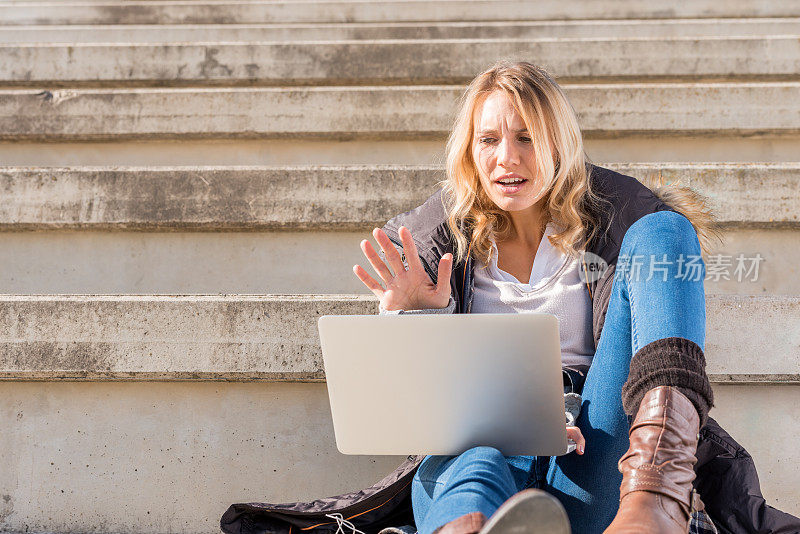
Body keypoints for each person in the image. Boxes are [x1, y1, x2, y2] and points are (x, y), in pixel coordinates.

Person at [220, 61, 800, 534]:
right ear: (470, 151)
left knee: (667, 231)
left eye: (527, 137)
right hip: (477, 460)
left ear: (560, 144)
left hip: (598, 457)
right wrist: (417, 321)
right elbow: (405, 410)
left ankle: (658, 505)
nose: (507, 158)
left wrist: (566, 417)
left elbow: (658, 292)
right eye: (490, 139)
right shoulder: (436, 241)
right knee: (474, 454)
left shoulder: (621, 217)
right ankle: (466, 529)